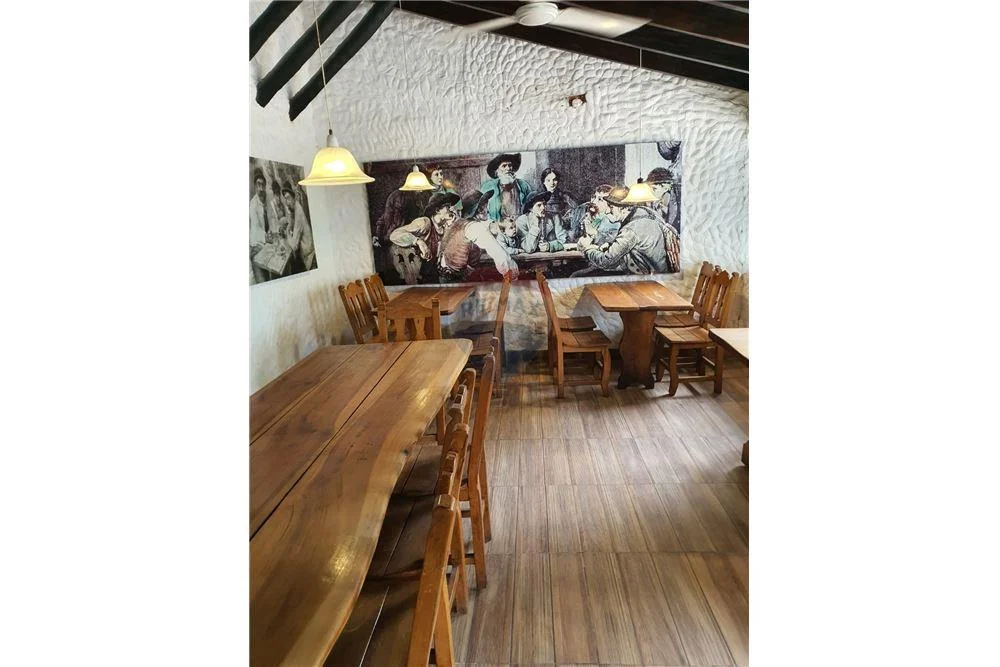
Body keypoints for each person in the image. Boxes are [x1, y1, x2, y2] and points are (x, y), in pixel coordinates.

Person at [578, 185, 680, 274]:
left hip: (650, 279)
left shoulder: (631, 229)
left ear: (625, 208)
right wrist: (610, 246)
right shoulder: (646, 213)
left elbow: (605, 261)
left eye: (611, 207)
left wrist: (587, 249)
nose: (607, 211)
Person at [389, 191, 462, 282]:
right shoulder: (424, 223)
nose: (451, 209)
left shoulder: (445, 228)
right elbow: (394, 235)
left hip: (433, 274)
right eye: (447, 206)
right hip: (416, 274)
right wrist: (418, 241)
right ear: (437, 210)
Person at [479, 152, 532, 222]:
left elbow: (531, 208)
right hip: (497, 225)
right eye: (504, 166)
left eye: (510, 165)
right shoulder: (487, 187)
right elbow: (482, 211)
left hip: (519, 224)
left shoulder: (523, 185)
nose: (508, 168)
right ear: (497, 171)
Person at [533, 167, 578, 241]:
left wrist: (564, 220)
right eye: (548, 180)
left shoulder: (565, 196)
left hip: (562, 232)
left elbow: (576, 211)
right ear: (543, 182)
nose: (552, 183)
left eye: (554, 180)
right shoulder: (537, 198)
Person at [280, 184, 316, 272]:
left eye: (288, 198)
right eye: (285, 199)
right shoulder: (296, 207)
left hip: (310, 258)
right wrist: (288, 222)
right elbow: (292, 225)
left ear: (293, 197)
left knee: (290, 266)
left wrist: (287, 233)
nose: (287, 203)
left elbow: (294, 246)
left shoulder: (298, 211)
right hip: (306, 255)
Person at [646, 166, 680, 235]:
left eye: (654, 189)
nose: (651, 192)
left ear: (665, 188)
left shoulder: (678, 202)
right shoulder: (651, 202)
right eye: (649, 188)